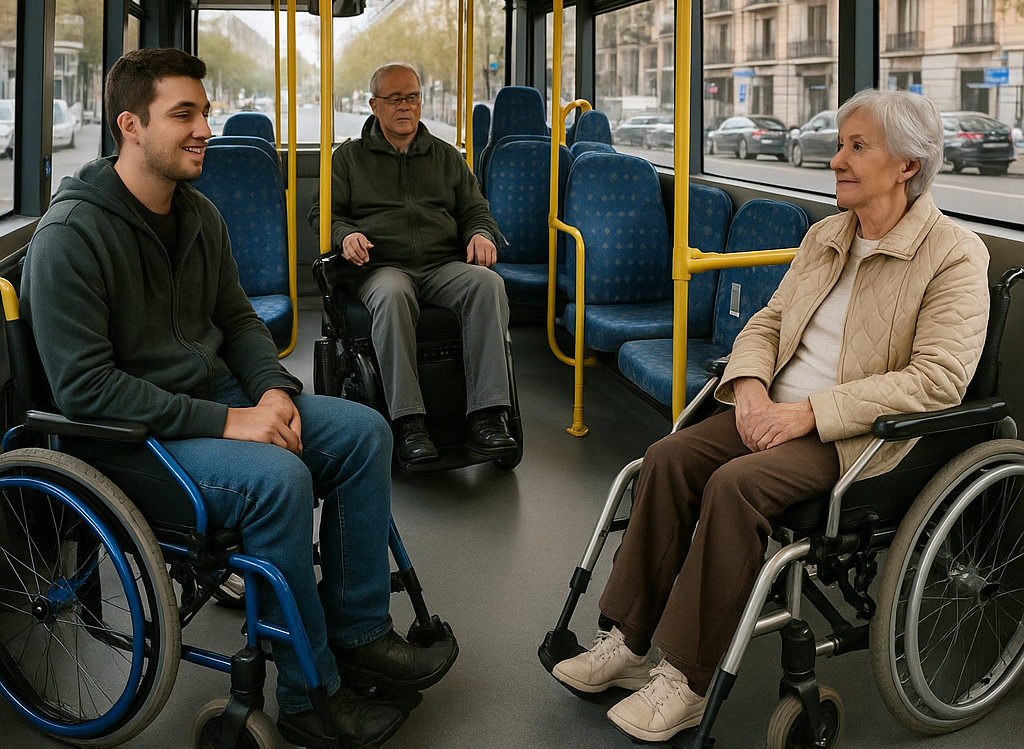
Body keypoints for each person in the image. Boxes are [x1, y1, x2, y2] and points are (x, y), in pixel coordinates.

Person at [22, 48, 456, 749]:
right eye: (183, 114)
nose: (204, 128)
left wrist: (271, 391)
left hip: (214, 401)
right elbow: (86, 388)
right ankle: (309, 696)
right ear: (130, 125)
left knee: (365, 432)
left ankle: (358, 633)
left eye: (205, 111)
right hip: (124, 441)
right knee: (279, 479)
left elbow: (239, 321)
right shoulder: (71, 237)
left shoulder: (198, 214)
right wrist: (233, 421)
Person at [552, 88, 990, 742]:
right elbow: (770, 321)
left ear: (906, 164)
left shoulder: (954, 253)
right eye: (840, 144)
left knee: (734, 485)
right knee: (668, 457)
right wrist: (751, 386)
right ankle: (628, 640)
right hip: (775, 407)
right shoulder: (826, 235)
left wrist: (809, 413)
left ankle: (688, 680)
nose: (836, 159)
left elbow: (937, 380)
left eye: (856, 146)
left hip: (858, 438)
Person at [308, 62, 516, 465]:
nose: (406, 106)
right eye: (395, 99)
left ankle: (488, 416)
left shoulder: (445, 156)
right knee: (390, 293)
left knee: (488, 284)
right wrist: (345, 233)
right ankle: (408, 422)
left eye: (413, 97)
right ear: (374, 105)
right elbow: (324, 213)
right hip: (382, 265)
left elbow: (476, 210)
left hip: (442, 264)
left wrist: (480, 234)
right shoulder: (348, 159)